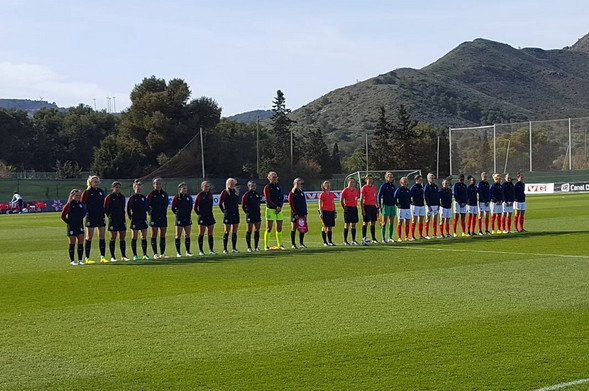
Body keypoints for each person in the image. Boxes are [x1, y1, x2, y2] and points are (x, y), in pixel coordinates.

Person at [81, 175, 107, 264]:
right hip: (90, 217)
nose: (96, 183)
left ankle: (102, 256)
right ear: (90, 182)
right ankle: (87, 257)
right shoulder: (87, 192)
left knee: (102, 236)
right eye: (94, 181)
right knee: (89, 237)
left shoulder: (101, 192)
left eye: (97, 181)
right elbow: (82, 204)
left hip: (100, 216)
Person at [104, 181, 128, 262]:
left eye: (118, 187)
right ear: (112, 188)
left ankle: (123, 255)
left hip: (121, 219)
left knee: (122, 237)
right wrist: (110, 216)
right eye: (116, 187)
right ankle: (113, 256)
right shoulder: (109, 197)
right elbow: (106, 209)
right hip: (113, 219)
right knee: (113, 237)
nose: (117, 189)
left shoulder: (122, 197)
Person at [60, 189, 85, 265]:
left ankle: (80, 260)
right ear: (72, 196)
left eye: (79, 195)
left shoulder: (81, 204)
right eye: (76, 195)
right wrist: (69, 223)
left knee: (80, 243)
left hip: (80, 225)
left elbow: (83, 213)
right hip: (72, 227)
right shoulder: (69, 205)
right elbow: (63, 216)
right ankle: (72, 260)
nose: (78, 197)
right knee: (72, 243)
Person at [127, 179, 150, 260]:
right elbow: (128, 210)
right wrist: (131, 218)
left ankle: (145, 254)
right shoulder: (132, 198)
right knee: (134, 237)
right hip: (135, 220)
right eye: (137, 188)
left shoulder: (144, 198)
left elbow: (147, 208)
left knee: (144, 237)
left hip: (143, 219)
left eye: (140, 188)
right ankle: (135, 255)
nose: (139, 190)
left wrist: (148, 214)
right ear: (134, 188)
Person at [147, 178, 169, 259]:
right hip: (154, 217)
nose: (158, 185)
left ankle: (162, 253)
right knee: (154, 235)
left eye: (159, 184)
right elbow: (147, 205)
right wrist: (151, 213)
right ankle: (155, 253)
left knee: (162, 235)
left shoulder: (164, 194)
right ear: (154, 185)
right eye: (156, 184)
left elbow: (166, 205)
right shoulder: (151, 194)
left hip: (163, 217)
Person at [263, 171, 285, 250]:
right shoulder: (267, 187)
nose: (276, 178)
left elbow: (282, 198)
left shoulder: (279, 187)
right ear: (269, 178)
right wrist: (276, 206)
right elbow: (268, 199)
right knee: (269, 228)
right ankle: (266, 245)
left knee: (279, 228)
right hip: (270, 209)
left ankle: (280, 244)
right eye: (274, 177)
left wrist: (280, 206)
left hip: (279, 209)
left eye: (276, 177)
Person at [171, 182, 193, 257]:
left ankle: (188, 251)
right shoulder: (176, 197)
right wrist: (178, 213)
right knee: (178, 235)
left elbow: (191, 207)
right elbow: (173, 208)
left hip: (187, 218)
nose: (185, 190)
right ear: (180, 189)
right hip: (179, 218)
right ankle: (178, 252)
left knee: (187, 235)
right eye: (183, 188)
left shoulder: (188, 197)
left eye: (186, 188)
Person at [194, 181, 216, 255]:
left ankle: (211, 250)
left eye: (208, 186)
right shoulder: (200, 195)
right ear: (202, 187)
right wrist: (200, 215)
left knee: (210, 233)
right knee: (201, 233)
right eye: (205, 186)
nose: (207, 188)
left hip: (210, 216)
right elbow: (195, 207)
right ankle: (201, 250)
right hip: (202, 216)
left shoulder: (210, 195)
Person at [219, 178, 240, 254]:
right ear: (227, 184)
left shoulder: (236, 192)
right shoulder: (224, 192)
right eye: (230, 183)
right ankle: (225, 249)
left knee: (234, 231)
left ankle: (234, 248)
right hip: (228, 214)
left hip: (235, 213)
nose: (232, 184)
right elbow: (220, 203)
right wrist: (224, 211)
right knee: (226, 231)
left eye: (233, 183)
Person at [241, 180, 262, 252]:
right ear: (249, 186)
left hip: (257, 214)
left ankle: (256, 247)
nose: (254, 187)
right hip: (250, 214)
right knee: (249, 230)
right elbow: (243, 205)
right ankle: (249, 247)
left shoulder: (257, 194)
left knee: (257, 230)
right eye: (252, 186)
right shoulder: (246, 195)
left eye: (255, 186)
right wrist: (247, 212)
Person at [288, 178, 308, 249]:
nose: (299, 185)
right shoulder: (292, 193)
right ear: (294, 184)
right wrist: (294, 213)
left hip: (302, 213)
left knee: (301, 227)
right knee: (294, 228)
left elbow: (304, 203)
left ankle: (301, 243)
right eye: (298, 183)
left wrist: (305, 212)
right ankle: (293, 244)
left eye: (300, 183)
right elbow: (291, 204)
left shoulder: (301, 192)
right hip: (295, 213)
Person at [377, 172, 396, 243]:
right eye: (389, 177)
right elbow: (379, 195)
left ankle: (390, 237)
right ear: (386, 178)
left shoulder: (393, 186)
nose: (391, 178)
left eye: (391, 177)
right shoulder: (384, 186)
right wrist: (379, 205)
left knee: (391, 222)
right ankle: (383, 238)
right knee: (384, 222)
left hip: (392, 205)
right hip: (386, 205)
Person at [340, 177, 360, 245]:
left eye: (353, 182)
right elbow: (341, 200)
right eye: (351, 182)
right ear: (348, 182)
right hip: (347, 208)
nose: (352, 183)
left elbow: (356, 198)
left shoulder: (356, 190)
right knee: (347, 224)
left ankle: (353, 240)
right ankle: (345, 240)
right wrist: (345, 207)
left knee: (353, 224)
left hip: (354, 208)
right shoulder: (345, 190)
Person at [360, 174, 378, 244]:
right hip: (366, 206)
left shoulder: (374, 187)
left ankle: (373, 238)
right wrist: (362, 209)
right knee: (365, 222)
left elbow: (375, 197)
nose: (370, 180)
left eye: (371, 179)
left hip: (373, 206)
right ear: (366, 180)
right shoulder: (364, 188)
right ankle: (363, 238)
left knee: (373, 222)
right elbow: (361, 199)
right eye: (368, 179)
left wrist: (377, 206)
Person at [319, 180, 337, 246]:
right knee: (324, 227)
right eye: (326, 185)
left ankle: (330, 241)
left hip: (331, 211)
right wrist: (321, 212)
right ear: (324, 186)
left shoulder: (332, 194)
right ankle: (325, 242)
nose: (328, 186)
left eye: (329, 185)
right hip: (325, 211)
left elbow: (333, 203)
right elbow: (320, 204)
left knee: (330, 227)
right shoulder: (322, 194)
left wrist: (335, 211)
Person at [394, 177, 412, 242]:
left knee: (407, 222)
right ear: (401, 182)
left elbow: (410, 199)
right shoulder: (399, 190)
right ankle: (399, 237)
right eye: (404, 181)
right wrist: (398, 205)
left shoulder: (408, 190)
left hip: (407, 208)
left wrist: (410, 203)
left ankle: (406, 236)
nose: (405, 182)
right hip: (401, 208)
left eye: (406, 181)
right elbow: (395, 198)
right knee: (400, 222)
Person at [423, 173, 440, 239]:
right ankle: (426, 235)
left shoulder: (436, 186)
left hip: (436, 205)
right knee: (428, 219)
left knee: (435, 219)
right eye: (431, 178)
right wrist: (428, 205)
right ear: (428, 179)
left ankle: (434, 234)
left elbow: (438, 196)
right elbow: (426, 197)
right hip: (429, 205)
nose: (432, 179)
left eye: (433, 178)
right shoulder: (427, 186)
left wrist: (438, 204)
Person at [409, 174, 425, 240]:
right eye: (419, 179)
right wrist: (411, 202)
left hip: (421, 205)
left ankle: (420, 235)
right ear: (416, 180)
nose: (421, 180)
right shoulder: (414, 187)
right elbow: (409, 195)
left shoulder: (421, 187)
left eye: (421, 179)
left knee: (421, 220)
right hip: (415, 205)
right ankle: (412, 236)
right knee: (414, 220)